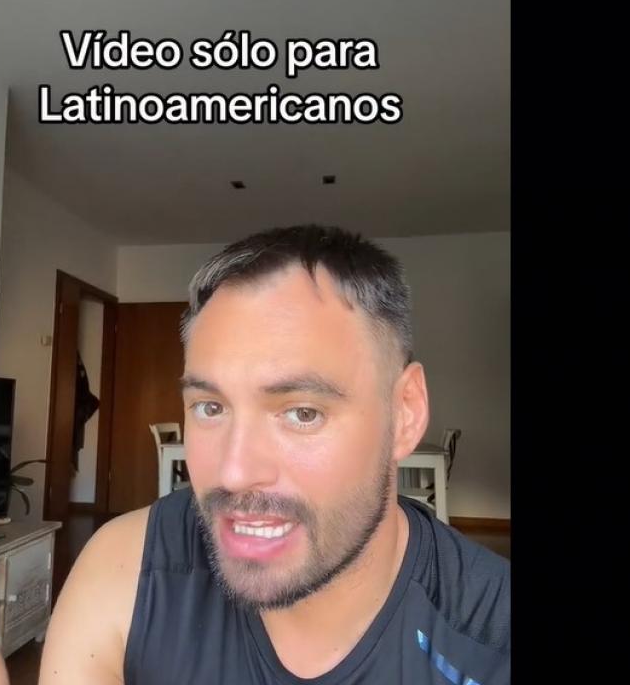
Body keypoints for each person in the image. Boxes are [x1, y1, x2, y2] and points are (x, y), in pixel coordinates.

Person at [39, 225, 510, 684]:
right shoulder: (126, 571)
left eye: (303, 413)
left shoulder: (492, 633)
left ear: (405, 412)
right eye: (210, 407)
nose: (234, 472)